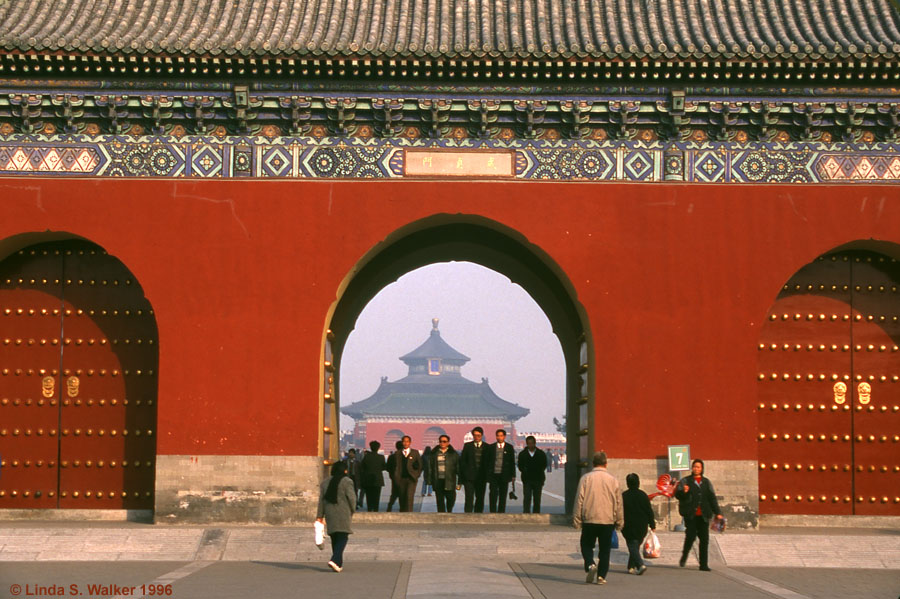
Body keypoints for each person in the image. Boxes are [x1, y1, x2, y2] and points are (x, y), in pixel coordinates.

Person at [573, 451, 624, 586]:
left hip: (589, 518)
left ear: (593, 463)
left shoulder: (586, 478)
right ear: (606, 464)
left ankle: (590, 564)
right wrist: (619, 521)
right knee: (605, 550)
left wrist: (576, 519)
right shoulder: (613, 480)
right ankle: (601, 576)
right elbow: (618, 502)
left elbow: (579, 500)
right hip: (607, 520)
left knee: (586, 545)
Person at [675, 459, 723, 571]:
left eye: (698, 467)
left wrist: (718, 513)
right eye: (695, 467)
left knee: (704, 539)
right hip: (691, 515)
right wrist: (684, 492)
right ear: (692, 468)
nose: (696, 469)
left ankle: (703, 564)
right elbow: (678, 495)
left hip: (704, 515)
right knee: (690, 537)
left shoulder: (706, 482)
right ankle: (684, 555)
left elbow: (712, 498)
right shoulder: (685, 481)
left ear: (702, 469)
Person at [316, 461, 357, 573]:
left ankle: (338, 564)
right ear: (344, 470)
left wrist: (319, 516)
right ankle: (334, 559)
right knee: (343, 536)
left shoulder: (325, 483)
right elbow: (352, 498)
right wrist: (353, 510)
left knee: (335, 536)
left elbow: (321, 501)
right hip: (343, 512)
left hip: (330, 512)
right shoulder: (347, 481)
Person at [622, 473, 656, 575]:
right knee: (635, 546)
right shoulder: (643, 495)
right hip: (642, 526)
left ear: (627, 483)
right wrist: (652, 524)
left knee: (632, 546)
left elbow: (619, 511)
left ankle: (640, 565)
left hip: (628, 526)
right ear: (638, 483)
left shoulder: (624, 496)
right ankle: (630, 567)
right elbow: (649, 511)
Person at [484, 428, 516, 513]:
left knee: (503, 494)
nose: (499, 437)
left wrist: (513, 475)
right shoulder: (491, 447)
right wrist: (487, 475)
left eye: (501, 436)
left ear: (504, 436)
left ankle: (501, 511)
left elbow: (512, 462)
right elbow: (487, 462)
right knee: (493, 494)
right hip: (493, 475)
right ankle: (492, 511)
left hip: (504, 475)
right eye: (498, 436)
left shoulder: (509, 448)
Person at [459, 426, 489, 513]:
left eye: (478, 435)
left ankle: (478, 514)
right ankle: (468, 514)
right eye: (475, 435)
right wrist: (462, 476)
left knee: (480, 497)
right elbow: (463, 462)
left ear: (482, 435)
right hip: (469, 477)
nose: (476, 437)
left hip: (481, 477)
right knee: (469, 497)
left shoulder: (487, 447)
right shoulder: (467, 446)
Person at [428, 434, 459, 512]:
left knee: (451, 498)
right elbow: (430, 467)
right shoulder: (434, 454)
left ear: (448, 443)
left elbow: (458, 468)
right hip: (438, 480)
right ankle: (441, 514)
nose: (442, 443)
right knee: (440, 500)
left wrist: (459, 482)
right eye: (441, 441)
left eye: (444, 441)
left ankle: (449, 510)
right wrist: (429, 480)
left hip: (449, 480)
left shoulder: (453, 454)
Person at [517, 435, 548, 513]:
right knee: (527, 497)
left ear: (535, 443)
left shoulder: (541, 454)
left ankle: (536, 513)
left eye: (532, 443)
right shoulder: (522, 454)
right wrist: (525, 471)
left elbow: (544, 465)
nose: (530, 445)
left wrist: (538, 471)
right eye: (528, 443)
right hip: (527, 479)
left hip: (538, 479)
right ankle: (526, 512)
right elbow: (520, 465)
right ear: (526, 444)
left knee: (537, 498)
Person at [392, 435, 422, 512]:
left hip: (411, 478)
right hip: (401, 479)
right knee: (402, 497)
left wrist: (416, 475)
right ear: (402, 442)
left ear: (410, 443)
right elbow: (395, 466)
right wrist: (396, 477)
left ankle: (409, 513)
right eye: (404, 441)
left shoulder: (415, 453)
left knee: (409, 496)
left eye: (407, 441)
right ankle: (402, 513)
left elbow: (420, 465)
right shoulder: (397, 453)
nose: (405, 443)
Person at [360, 440, 387, 512]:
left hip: (368, 479)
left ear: (370, 447)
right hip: (378, 479)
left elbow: (362, 467)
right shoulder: (381, 457)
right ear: (378, 448)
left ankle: (369, 509)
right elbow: (384, 467)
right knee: (376, 496)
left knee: (369, 496)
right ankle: (376, 509)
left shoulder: (366, 457)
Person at [384, 440, 404, 512]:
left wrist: (392, 475)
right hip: (403, 478)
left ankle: (390, 506)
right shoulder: (404, 457)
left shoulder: (392, 456)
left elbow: (388, 468)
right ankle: (402, 508)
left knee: (394, 493)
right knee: (403, 493)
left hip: (394, 478)